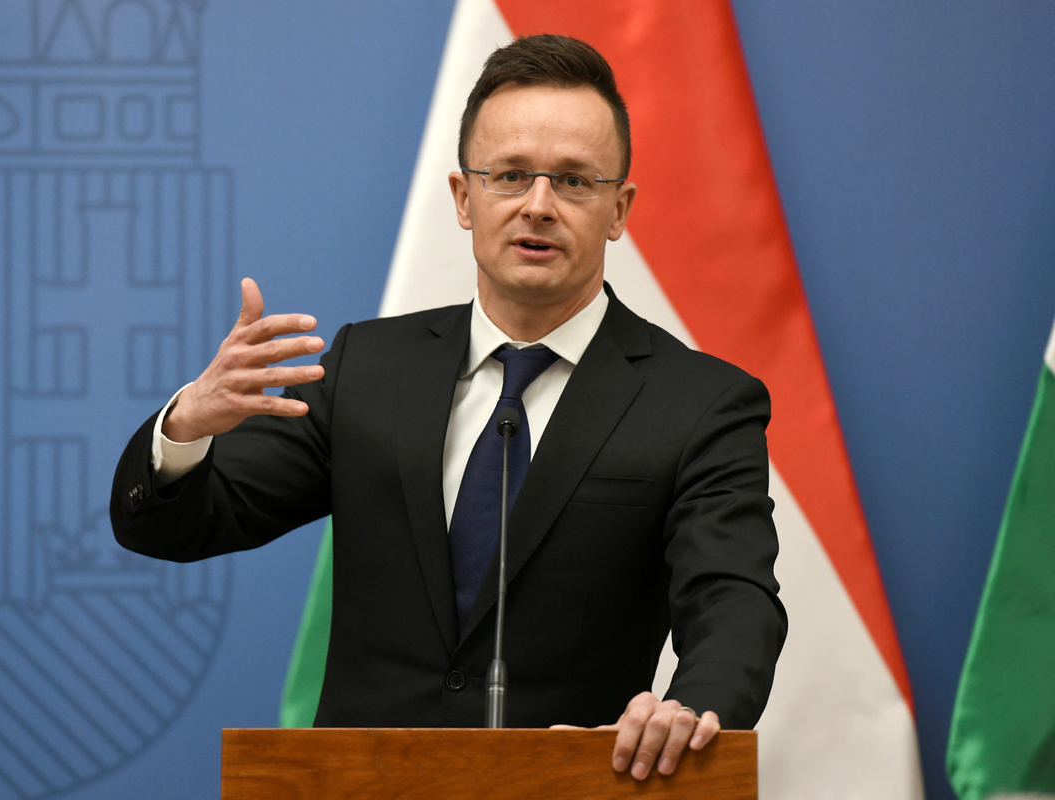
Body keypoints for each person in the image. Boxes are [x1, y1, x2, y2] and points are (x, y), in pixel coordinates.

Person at [111, 34, 786, 782]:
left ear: (618, 209)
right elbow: (175, 525)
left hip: (575, 787)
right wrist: (186, 427)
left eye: (573, 181)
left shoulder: (699, 403)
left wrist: (688, 709)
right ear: (465, 199)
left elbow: (734, 599)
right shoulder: (368, 368)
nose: (538, 206)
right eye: (511, 176)